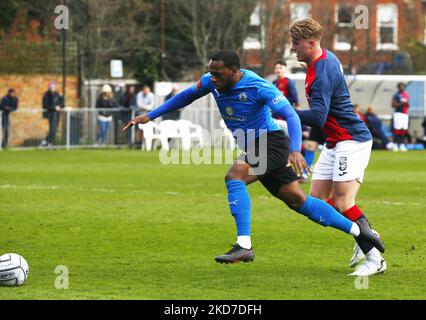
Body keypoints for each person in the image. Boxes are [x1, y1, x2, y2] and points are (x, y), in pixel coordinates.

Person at [123, 50, 384, 269]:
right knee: (298, 201)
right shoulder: (211, 81)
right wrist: (152, 115)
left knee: (234, 176)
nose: (213, 78)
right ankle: (362, 233)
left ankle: (244, 246)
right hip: (254, 144)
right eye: (211, 73)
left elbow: (291, 116)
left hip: (270, 141)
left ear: (235, 71)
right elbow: (185, 96)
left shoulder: (257, 86)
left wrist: (295, 149)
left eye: (218, 73)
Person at [290, 19, 386, 276]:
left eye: (296, 44)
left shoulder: (321, 72)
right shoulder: (324, 58)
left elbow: (318, 118)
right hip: (334, 142)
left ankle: (374, 259)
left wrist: (286, 111)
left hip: (351, 140)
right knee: (318, 201)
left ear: (311, 44)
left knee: (344, 202)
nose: (292, 49)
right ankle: (365, 234)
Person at [42, 81, 63, 147]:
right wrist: (54, 108)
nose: (52, 88)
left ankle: (46, 142)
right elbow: (46, 105)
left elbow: (61, 103)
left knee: (55, 129)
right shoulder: (46, 95)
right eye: (51, 87)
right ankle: (49, 142)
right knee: (52, 129)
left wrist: (61, 101)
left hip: (56, 114)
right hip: (50, 114)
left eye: (53, 86)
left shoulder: (57, 94)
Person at [391, 82, 410, 152]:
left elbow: (408, 105)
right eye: (400, 86)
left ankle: (402, 144)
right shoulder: (396, 95)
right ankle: (395, 144)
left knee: (404, 129)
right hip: (398, 113)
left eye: (403, 86)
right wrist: (402, 103)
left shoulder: (406, 95)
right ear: (398, 87)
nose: (402, 87)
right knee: (397, 129)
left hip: (405, 114)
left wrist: (406, 103)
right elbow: (393, 105)